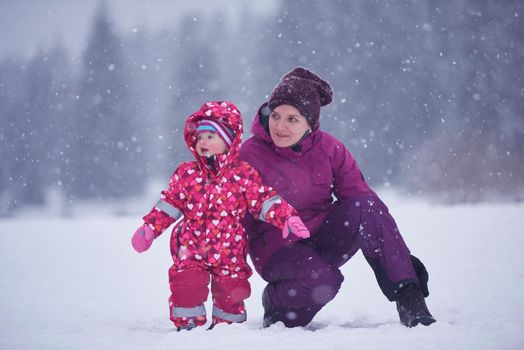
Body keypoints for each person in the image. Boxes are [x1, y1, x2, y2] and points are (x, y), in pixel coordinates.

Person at [239, 67, 436, 328]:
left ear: (310, 123)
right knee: (323, 282)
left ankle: (410, 298)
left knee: (368, 207)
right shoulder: (249, 153)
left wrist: (399, 260)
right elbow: (234, 211)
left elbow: (362, 200)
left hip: (322, 237)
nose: (280, 126)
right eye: (275, 116)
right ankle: (277, 305)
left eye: (292, 119)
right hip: (278, 248)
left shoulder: (331, 149)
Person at [131, 101, 310, 331]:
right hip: (191, 247)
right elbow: (169, 204)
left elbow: (263, 200)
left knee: (232, 290)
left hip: (230, 249)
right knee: (186, 285)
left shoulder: (243, 174)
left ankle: (228, 327)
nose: (202, 142)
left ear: (228, 142)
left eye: (210, 136)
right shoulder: (186, 174)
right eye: (199, 137)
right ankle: (188, 325)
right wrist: (149, 229)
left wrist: (286, 217)